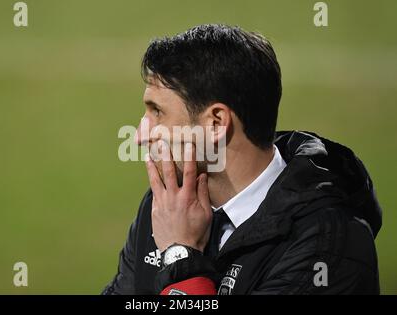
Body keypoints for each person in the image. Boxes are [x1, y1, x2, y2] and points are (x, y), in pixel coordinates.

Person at [102, 24, 381, 295]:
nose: (139, 136)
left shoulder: (327, 244)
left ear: (215, 123)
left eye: (157, 113)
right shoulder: (167, 205)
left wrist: (180, 257)